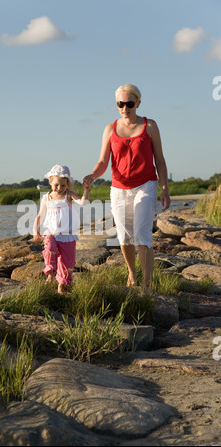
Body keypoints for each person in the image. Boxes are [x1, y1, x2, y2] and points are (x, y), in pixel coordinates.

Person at [83, 84, 170, 291]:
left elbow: (160, 160)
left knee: (142, 233)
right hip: (119, 188)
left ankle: (147, 286)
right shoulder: (109, 129)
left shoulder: (150, 126)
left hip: (146, 185)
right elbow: (103, 161)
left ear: (138, 103)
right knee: (123, 236)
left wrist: (164, 188)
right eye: (120, 104)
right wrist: (93, 175)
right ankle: (132, 273)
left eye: (129, 103)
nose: (124, 107)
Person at [33, 164, 90, 293]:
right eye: (56, 185)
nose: (59, 188)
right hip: (51, 233)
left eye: (63, 185)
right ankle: (51, 272)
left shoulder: (68, 195)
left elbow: (83, 202)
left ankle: (61, 286)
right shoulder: (47, 198)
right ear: (50, 182)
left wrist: (86, 190)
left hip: (67, 234)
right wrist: (35, 229)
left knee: (67, 261)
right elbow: (40, 215)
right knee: (49, 249)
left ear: (68, 184)